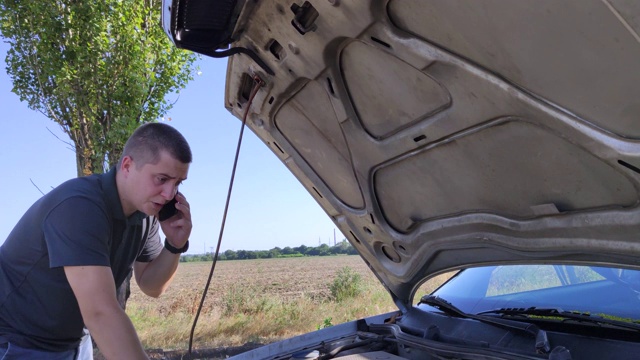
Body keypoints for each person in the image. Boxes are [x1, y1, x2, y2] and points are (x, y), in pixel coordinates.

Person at [0, 122, 193, 359]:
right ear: (127, 166)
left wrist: (174, 245)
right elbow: (100, 313)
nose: (169, 194)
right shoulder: (79, 206)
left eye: (177, 183)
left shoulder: (146, 215)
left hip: (74, 342)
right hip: (18, 342)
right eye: (161, 179)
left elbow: (151, 285)